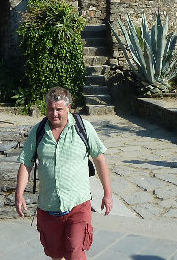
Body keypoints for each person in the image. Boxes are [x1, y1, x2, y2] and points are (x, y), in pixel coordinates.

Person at [15, 87, 113, 260]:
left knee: (75, 253)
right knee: (56, 255)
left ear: (68, 108)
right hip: (48, 206)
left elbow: (99, 159)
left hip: (78, 205)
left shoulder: (83, 128)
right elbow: (26, 163)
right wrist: (19, 194)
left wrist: (108, 193)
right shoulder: (38, 132)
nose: (54, 114)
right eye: (51, 109)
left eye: (59, 109)